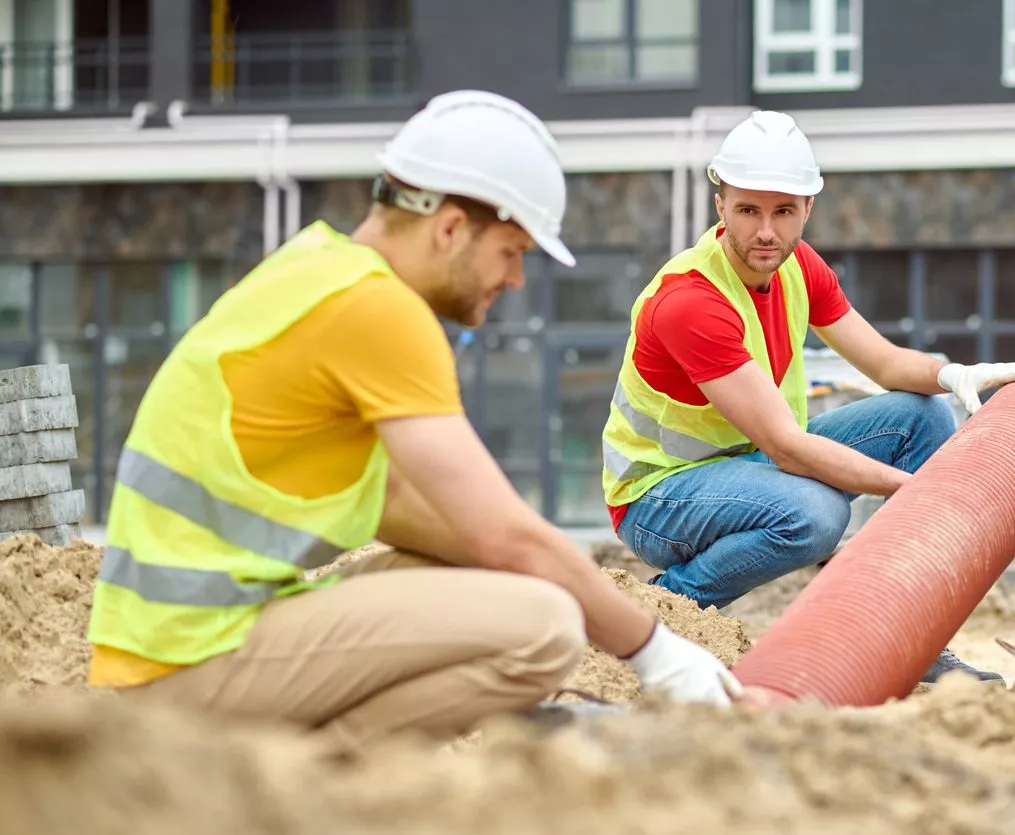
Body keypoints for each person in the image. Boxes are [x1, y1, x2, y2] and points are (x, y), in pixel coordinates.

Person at [84, 90, 741, 753]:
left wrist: (547, 571)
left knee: (506, 583)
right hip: (189, 666)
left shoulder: (319, 270)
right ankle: (302, 776)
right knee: (542, 626)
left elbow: (413, 511)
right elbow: (502, 533)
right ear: (450, 227)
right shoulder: (376, 311)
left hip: (174, 649)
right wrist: (657, 653)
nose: (515, 279)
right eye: (511, 251)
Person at [600, 110, 1015, 685]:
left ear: (808, 208)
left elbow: (885, 364)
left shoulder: (798, 268)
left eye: (783, 211)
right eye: (748, 210)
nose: (766, 231)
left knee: (923, 414)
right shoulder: (691, 300)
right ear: (721, 206)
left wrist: (954, 374)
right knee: (815, 515)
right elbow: (787, 449)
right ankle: (664, 610)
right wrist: (915, 491)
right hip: (659, 498)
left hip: (748, 466)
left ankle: (909, 635)